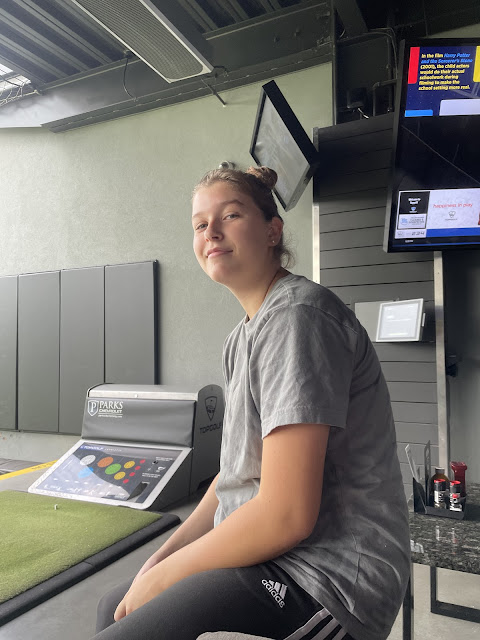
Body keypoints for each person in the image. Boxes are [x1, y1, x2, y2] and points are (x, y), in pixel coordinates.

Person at [93, 166, 410, 640]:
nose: (212, 232)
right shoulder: (242, 337)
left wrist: (166, 577)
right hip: (271, 558)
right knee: (112, 605)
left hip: (325, 578)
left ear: (272, 230)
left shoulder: (299, 318)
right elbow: (235, 473)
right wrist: (164, 557)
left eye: (231, 214)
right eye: (200, 224)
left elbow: (286, 514)